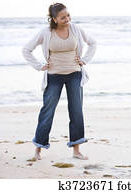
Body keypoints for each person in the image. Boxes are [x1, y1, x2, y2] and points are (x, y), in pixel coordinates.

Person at [22, 3, 97, 160]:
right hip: (54, 76)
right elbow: (26, 50)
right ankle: (38, 149)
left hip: (75, 74)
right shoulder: (45, 32)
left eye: (68, 15)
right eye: (63, 17)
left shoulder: (76, 29)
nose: (67, 19)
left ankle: (76, 150)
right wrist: (39, 66)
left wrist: (84, 60)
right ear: (54, 19)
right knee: (47, 111)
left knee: (76, 111)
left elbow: (93, 43)